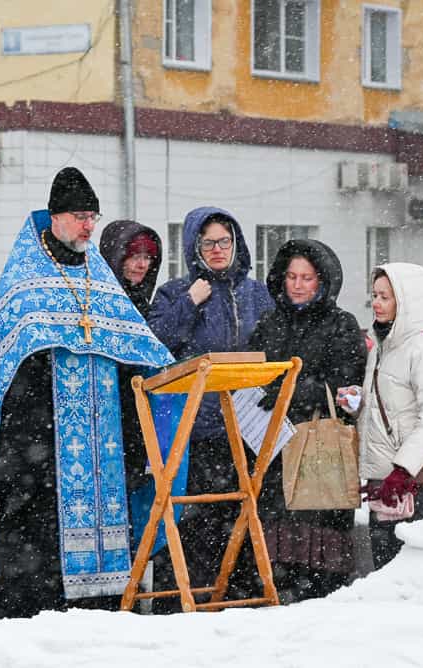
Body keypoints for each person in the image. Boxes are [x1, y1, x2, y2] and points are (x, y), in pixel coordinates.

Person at [0, 168, 174, 623]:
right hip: (34, 444)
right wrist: (33, 434)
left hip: (102, 445)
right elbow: (1, 367)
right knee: (33, 547)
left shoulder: (99, 279)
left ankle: (97, 613)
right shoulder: (24, 279)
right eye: (80, 217)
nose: (87, 227)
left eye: (93, 218)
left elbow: (135, 350)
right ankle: (31, 626)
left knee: (102, 552)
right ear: (55, 217)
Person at [146, 207, 273, 603]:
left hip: (247, 428)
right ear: (193, 247)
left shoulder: (257, 294)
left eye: (224, 241)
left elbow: (273, 347)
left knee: (239, 521)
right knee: (189, 522)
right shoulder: (174, 292)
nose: (218, 250)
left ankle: (236, 601)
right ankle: (182, 602)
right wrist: (189, 303)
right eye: (208, 243)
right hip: (194, 431)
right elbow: (154, 343)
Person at [247, 239, 368, 602]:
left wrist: (292, 390)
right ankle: (279, 596)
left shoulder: (341, 324)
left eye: (308, 277)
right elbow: (252, 371)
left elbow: (348, 383)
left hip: (318, 443)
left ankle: (321, 603)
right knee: (277, 537)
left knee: (320, 541)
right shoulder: (269, 322)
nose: (298, 285)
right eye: (292, 276)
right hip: (272, 445)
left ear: (323, 281)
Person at [339, 263, 423, 571]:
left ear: (407, 303)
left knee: (408, 577)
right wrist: (355, 404)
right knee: (385, 573)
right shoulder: (382, 349)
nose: (376, 303)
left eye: (386, 297)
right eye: (374, 295)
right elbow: (386, 408)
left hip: (411, 484)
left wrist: (402, 471)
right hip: (382, 483)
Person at [99, 220, 162, 318]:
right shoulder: (94, 304)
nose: (142, 265)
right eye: (135, 257)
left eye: (147, 257)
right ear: (116, 259)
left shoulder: (146, 307)